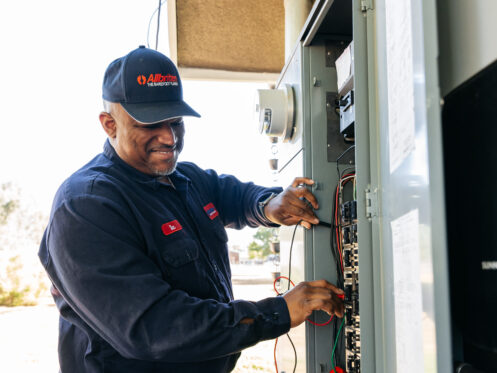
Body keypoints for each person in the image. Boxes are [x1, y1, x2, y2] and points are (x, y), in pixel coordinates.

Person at [38, 46, 344, 373]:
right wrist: (278, 312)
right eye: (150, 124)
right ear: (109, 124)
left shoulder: (184, 178)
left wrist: (269, 205)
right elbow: (155, 327)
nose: (169, 138)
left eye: (176, 122)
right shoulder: (87, 205)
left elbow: (234, 196)